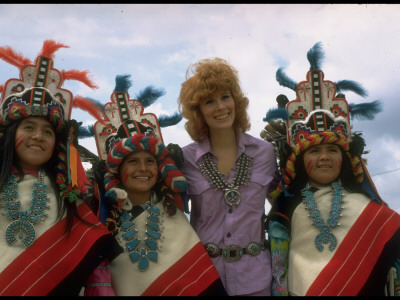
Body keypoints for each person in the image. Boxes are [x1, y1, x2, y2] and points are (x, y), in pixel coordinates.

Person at [262, 42, 400, 296]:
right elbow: (278, 272)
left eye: (333, 150)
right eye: (314, 151)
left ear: (345, 158)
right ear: (299, 161)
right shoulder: (286, 208)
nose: (324, 157)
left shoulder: (369, 207)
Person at [84, 75, 227, 296]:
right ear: (118, 170)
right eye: (133, 161)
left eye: (150, 161)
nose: (143, 168)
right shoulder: (103, 220)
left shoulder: (172, 211)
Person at [0, 40, 119, 296]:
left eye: (47, 131)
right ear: (11, 134)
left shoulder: (71, 196)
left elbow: (96, 266)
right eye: (28, 127)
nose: (38, 136)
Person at [177, 58, 280, 296]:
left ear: (236, 100)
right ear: (198, 111)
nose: (221, 106)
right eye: (209, 101)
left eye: (225, 96)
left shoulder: (265, 152)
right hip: (204, 278)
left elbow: (282, 205)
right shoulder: (185, 158)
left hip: (256, 280)